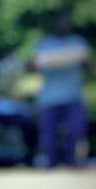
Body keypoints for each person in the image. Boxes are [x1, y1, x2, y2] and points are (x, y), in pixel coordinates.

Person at [33, 13, 90, 168]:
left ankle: (71, 162)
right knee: (48, 134)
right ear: (56, 24)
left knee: (76, 130)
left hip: (73, 95)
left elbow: (88, 67)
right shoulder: (45, 43)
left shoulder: (78, 42)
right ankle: (50, 163)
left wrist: (84, 60)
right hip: (49, 98)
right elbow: (33, 63)